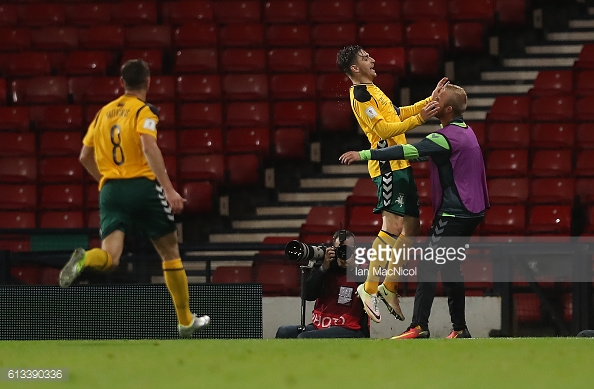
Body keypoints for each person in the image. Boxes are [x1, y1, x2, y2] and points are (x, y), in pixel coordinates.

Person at [59, 59, 210, 338]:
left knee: (110, 257)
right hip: (142, 186)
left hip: (111, 190)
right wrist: (168, 188)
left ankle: (85, 260)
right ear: (149, 81)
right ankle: (185, 320)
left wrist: (106, 182)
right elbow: (148, 144)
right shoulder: (144, 110)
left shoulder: (102, 113)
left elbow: (83, 156)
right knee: (170, 253)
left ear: (121, 82)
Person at [339, 83, 490, 339]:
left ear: (448, 109)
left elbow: (408, 150)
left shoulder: (444, 138)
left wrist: (365, 154)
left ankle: (418, 326)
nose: (433, 100)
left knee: (429, 265)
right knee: (451, 267)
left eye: (438, 99)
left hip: (455, 212)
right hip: (473, 210)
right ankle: (460, 328)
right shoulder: (466, 131)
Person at [336, 45, 447, 323]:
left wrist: (427, 102)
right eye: (365, 58)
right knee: (393, 227)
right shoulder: (360, 95)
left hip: (401, 165)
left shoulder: (373, 89)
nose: (372, 59)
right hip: (387, 167)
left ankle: (389, 287)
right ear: (354, 68)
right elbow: (383, 130)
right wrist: (422, 119)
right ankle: (369, 288)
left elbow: (397, 113)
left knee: (412, 228)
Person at [276, 230, 370, 338]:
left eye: (348, 249)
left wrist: (353, 268)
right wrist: (323, 269)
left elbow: (371, 291)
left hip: (349, 327)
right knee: (284, 331)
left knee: (304, 337)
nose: (343, 253)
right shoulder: (325, 267)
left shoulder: (363, 269)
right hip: (320, 325)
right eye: (339, 249)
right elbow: (308, 295)